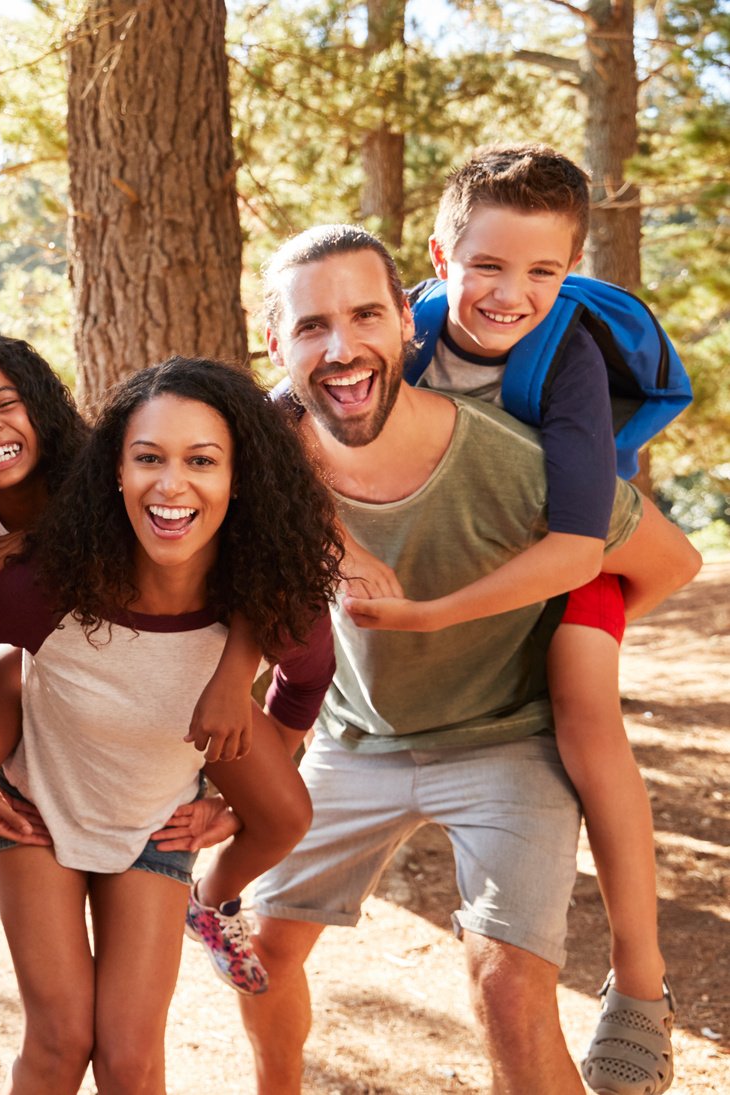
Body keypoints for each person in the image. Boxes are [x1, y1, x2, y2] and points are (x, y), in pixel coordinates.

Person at [242, 224, 701, 1095]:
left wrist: (574, 626)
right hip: (353, 736)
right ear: (277, 345)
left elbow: (673, 561)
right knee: (262, 950)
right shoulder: (265, 454)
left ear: (409, 323)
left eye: (366, 316)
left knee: (506, 985)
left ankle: (641, 977)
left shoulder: (518, 460)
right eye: (310, 327)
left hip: (505, 736)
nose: (341, 348)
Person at [0, 358, 337, 1090]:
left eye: (202, 461)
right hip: (39, 809)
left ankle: (213, 904)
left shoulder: (267, 599)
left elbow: (307, 678)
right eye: (148, 458)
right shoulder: (44, 582)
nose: (171, 483)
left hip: (149, 823)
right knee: (60, 1044)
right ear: (114, 470)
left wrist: (230, 792)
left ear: (240, 476)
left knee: (127, 1058)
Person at [338, 144, 682, 1093]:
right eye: (487, 266)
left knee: (583, 707)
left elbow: (580, 546)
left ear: (569, 274)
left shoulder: (563, 354)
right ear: (441, 264)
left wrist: (435, 615)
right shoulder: (394, 335)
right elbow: (294, 407)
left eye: (543, 271)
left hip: (561, 554)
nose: (510, 294)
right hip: (463, 560)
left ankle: (640, 980)